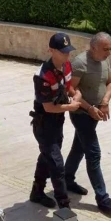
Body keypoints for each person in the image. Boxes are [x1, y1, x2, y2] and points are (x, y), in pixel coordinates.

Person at [63, 32, 111, 213]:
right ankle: (102, 198)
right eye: (105, 49)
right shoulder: (80, 63)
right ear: (93, 47)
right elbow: (71, 90)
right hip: (81, 114)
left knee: (79, 147)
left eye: (110, 49)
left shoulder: (104, 60)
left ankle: (66, 178)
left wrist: (104, 102)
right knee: (93, 153)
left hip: (95, 112)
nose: (108, 53)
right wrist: (89, 108)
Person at [29, 33, 82, 210]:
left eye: (68, 51)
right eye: (62, 51)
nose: (67, 55)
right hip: (44, 124)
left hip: (58, 121)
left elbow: (69, 88)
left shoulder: (66, 66)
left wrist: (76, 95)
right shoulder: (43, 75)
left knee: (47, 157)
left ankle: (37, 192)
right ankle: (64, 205)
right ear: (51, 50)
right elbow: (48, 107)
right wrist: (71, 107)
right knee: (57, 164)